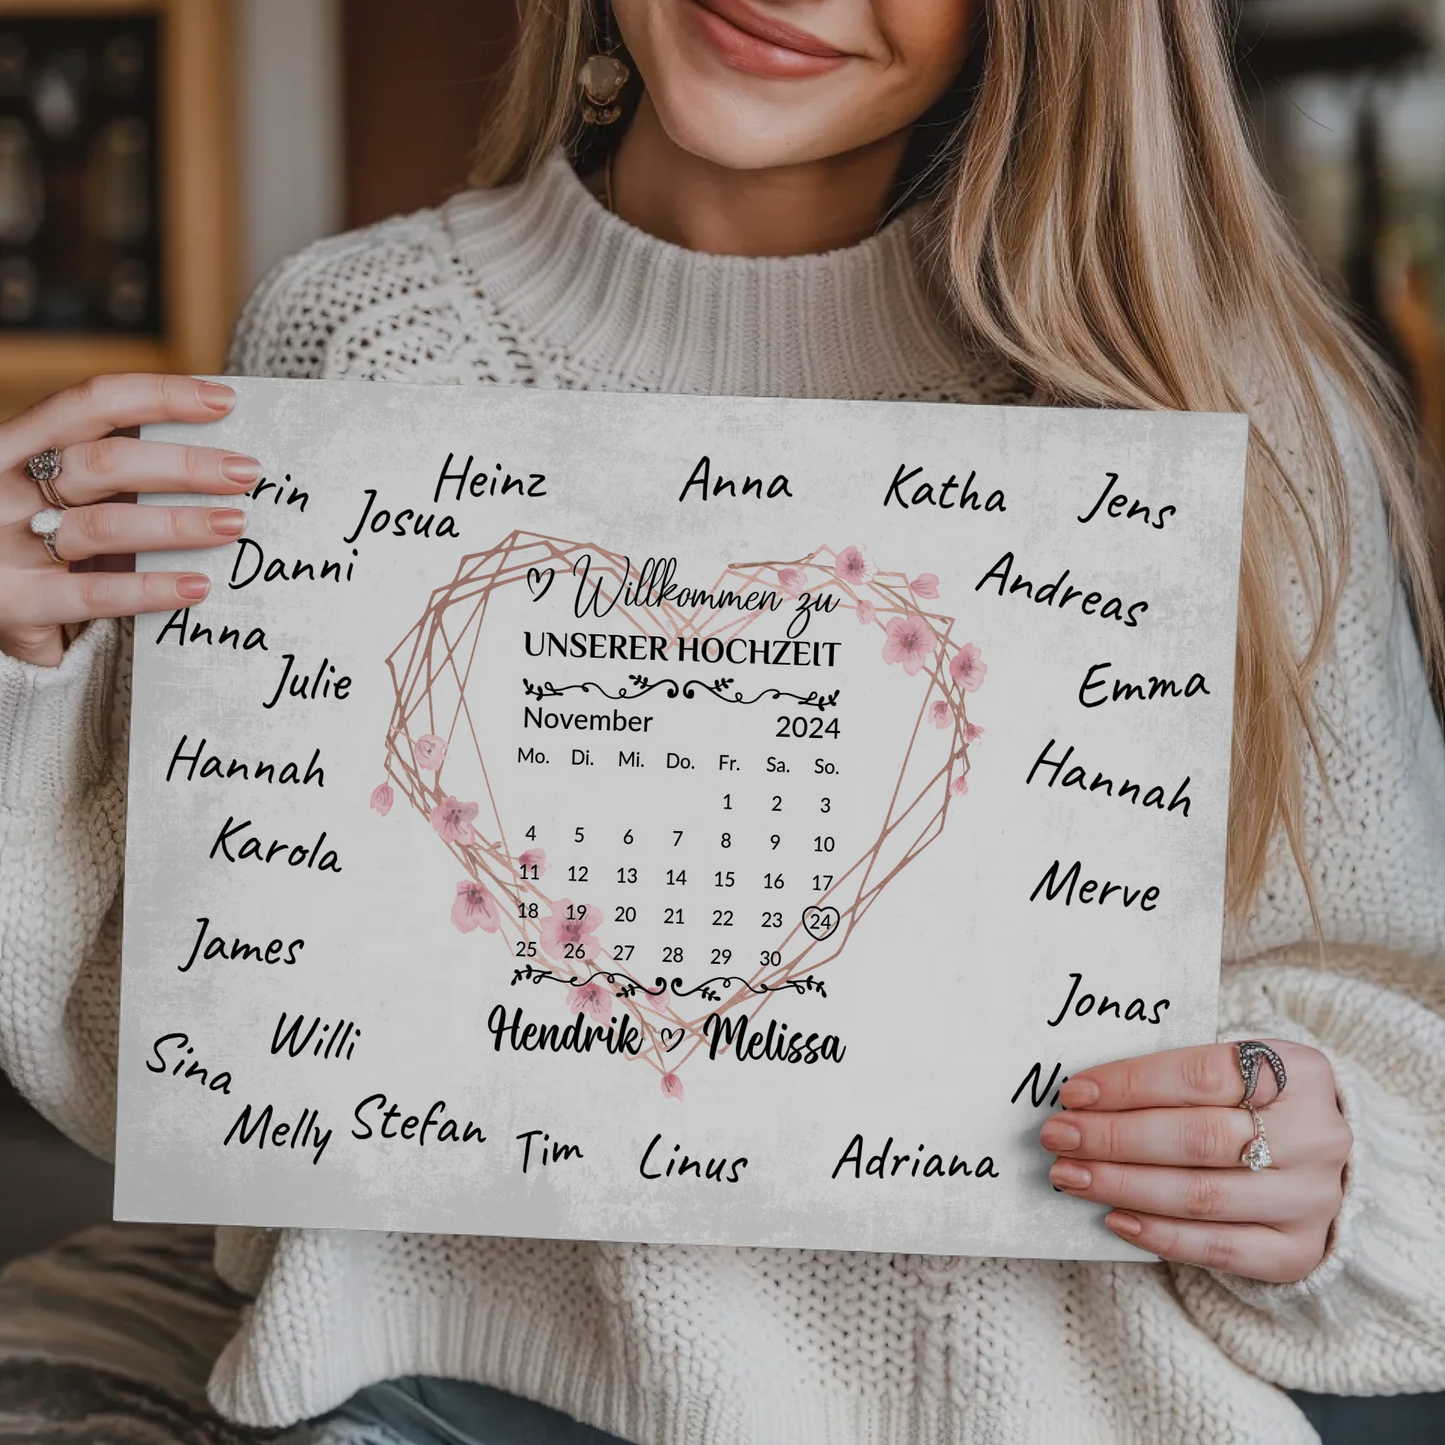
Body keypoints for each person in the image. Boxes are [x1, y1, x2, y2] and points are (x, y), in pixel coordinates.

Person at [1, 1, 1443, 1442]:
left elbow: (1397, 1035)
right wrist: (26, 658)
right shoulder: (349, 336)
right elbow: (187, 1060)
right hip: (432, 1409)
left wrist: (1335, 1174)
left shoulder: (1217, 400)